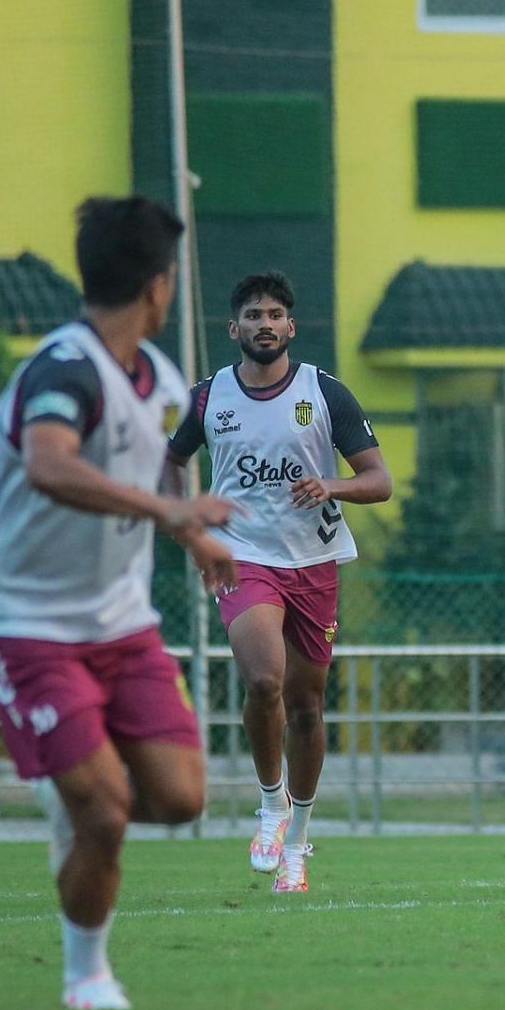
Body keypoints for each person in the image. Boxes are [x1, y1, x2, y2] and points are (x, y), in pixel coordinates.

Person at [0, 197, 238, 1010]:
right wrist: (172, 514)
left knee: (178, 798)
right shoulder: (64, 369)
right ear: (159, 287)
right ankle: (86, 974)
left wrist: (190, 535)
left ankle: (64, 789)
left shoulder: (161, 381)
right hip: (24, 622)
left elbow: (148, 484)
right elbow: (50, 466)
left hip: (121, 621)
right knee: (103, 812)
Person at [168, 270, 390, 894]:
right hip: (242, 557)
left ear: (290, 327)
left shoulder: (324, 393)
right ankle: (270, 806)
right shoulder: (208, 398)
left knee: (307, 707)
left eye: (274, 315)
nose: (263, 324)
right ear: (232, 328)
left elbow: (379, 480)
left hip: (313, 563)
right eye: (252, 314)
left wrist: (333, 484)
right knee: (264, 679)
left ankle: (297, 843)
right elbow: (169, 464)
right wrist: (192, 530)